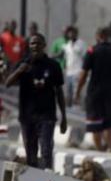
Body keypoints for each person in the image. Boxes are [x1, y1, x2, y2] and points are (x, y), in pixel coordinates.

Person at [5, 34, 67, 169]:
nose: (35, 46)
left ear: (44, 46)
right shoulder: (23, 63)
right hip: (27, 117)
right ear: (29, 46)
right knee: (30, 153)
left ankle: (47, 179)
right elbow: (8, 83)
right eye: (33, 43)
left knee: (46, 150)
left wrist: (64, 117)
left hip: (47, 116)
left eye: (39, 43)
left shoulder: (53, 65)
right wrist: (19, 71)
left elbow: (59, 92)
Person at [75, 27, 111, 152]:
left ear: (98, 36)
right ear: (108, 36)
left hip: (94, 92)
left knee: (95, 122)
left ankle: (100, 149)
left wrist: (78, 91)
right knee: (109, 122)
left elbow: (84, 74)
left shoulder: (92, 51)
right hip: (110, 92)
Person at [60, 26, 85, 108]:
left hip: (77, 72)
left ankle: (76, 108)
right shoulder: (67, 45)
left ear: (76, 33)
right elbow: (64, 57)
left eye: (73, 32)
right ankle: (68, 109)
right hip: (68, 72)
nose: (71, 34)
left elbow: (84, 57)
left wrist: (83, 72)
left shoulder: (81, 43)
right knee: (68, 92)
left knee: (76, 92)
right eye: (69, 33)